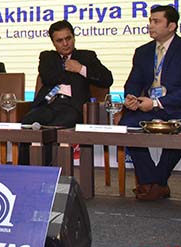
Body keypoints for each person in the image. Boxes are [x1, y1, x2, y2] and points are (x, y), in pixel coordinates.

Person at [120, 5, 181, 201]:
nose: (150, 25)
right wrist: (131, 98)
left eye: (156, 21)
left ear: (171, 26)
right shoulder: (142, 52)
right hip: (148, 106)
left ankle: (154, 184)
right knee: (127, 125)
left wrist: (157, 102)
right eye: (150, 21)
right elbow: (133, 82)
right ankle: (154, 183)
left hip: (179, 107)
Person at [21, 20, 113, 164]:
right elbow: (47, 77)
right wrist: (71, 73)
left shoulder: (87, 57)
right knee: (27, 124)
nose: (65, 43)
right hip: (47, 104)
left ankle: (48, 171)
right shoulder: (47, 57)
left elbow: (107, 79)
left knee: (54, 128)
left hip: (72, 106)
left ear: (74, 37)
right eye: (60, 40)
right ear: (53, 43)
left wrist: (81, 69)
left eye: (68, 38)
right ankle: (24, 170)